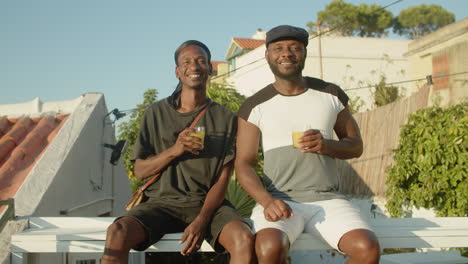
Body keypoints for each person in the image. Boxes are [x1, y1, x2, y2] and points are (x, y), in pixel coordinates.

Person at [235, 25, 380, 264]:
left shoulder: (330, 94)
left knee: (367, 248)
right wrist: (267, 202)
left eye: (295, 48)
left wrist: (326, 145)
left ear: (304, 53)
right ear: (267, 55)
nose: (287, 53)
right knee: (269, 248)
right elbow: (244, 164)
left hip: (329, 201)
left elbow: (356, 146)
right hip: (280, 201)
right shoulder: (254, 106)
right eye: (278, 48)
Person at [102, 40, 254, 264]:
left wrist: (202, 220)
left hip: (207, 205)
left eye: (201, 61)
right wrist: (175, 150)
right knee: (118, 232)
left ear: (210, 68)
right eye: (187, 62)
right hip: (161, 204)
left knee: (243, 239)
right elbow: (140, 171)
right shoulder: (155, 113)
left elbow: (223, 179)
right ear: (177, 72)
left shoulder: (225, 117)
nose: (194, 66)